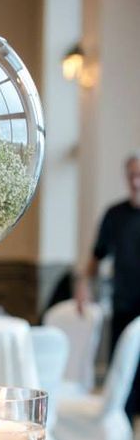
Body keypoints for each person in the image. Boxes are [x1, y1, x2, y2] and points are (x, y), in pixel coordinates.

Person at [75, 152, 140, 417]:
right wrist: (82, 285)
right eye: (132, 175)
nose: (136, 182)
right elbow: (96, 256)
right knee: (124, 378)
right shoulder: (115, 214)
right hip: (124, 305)